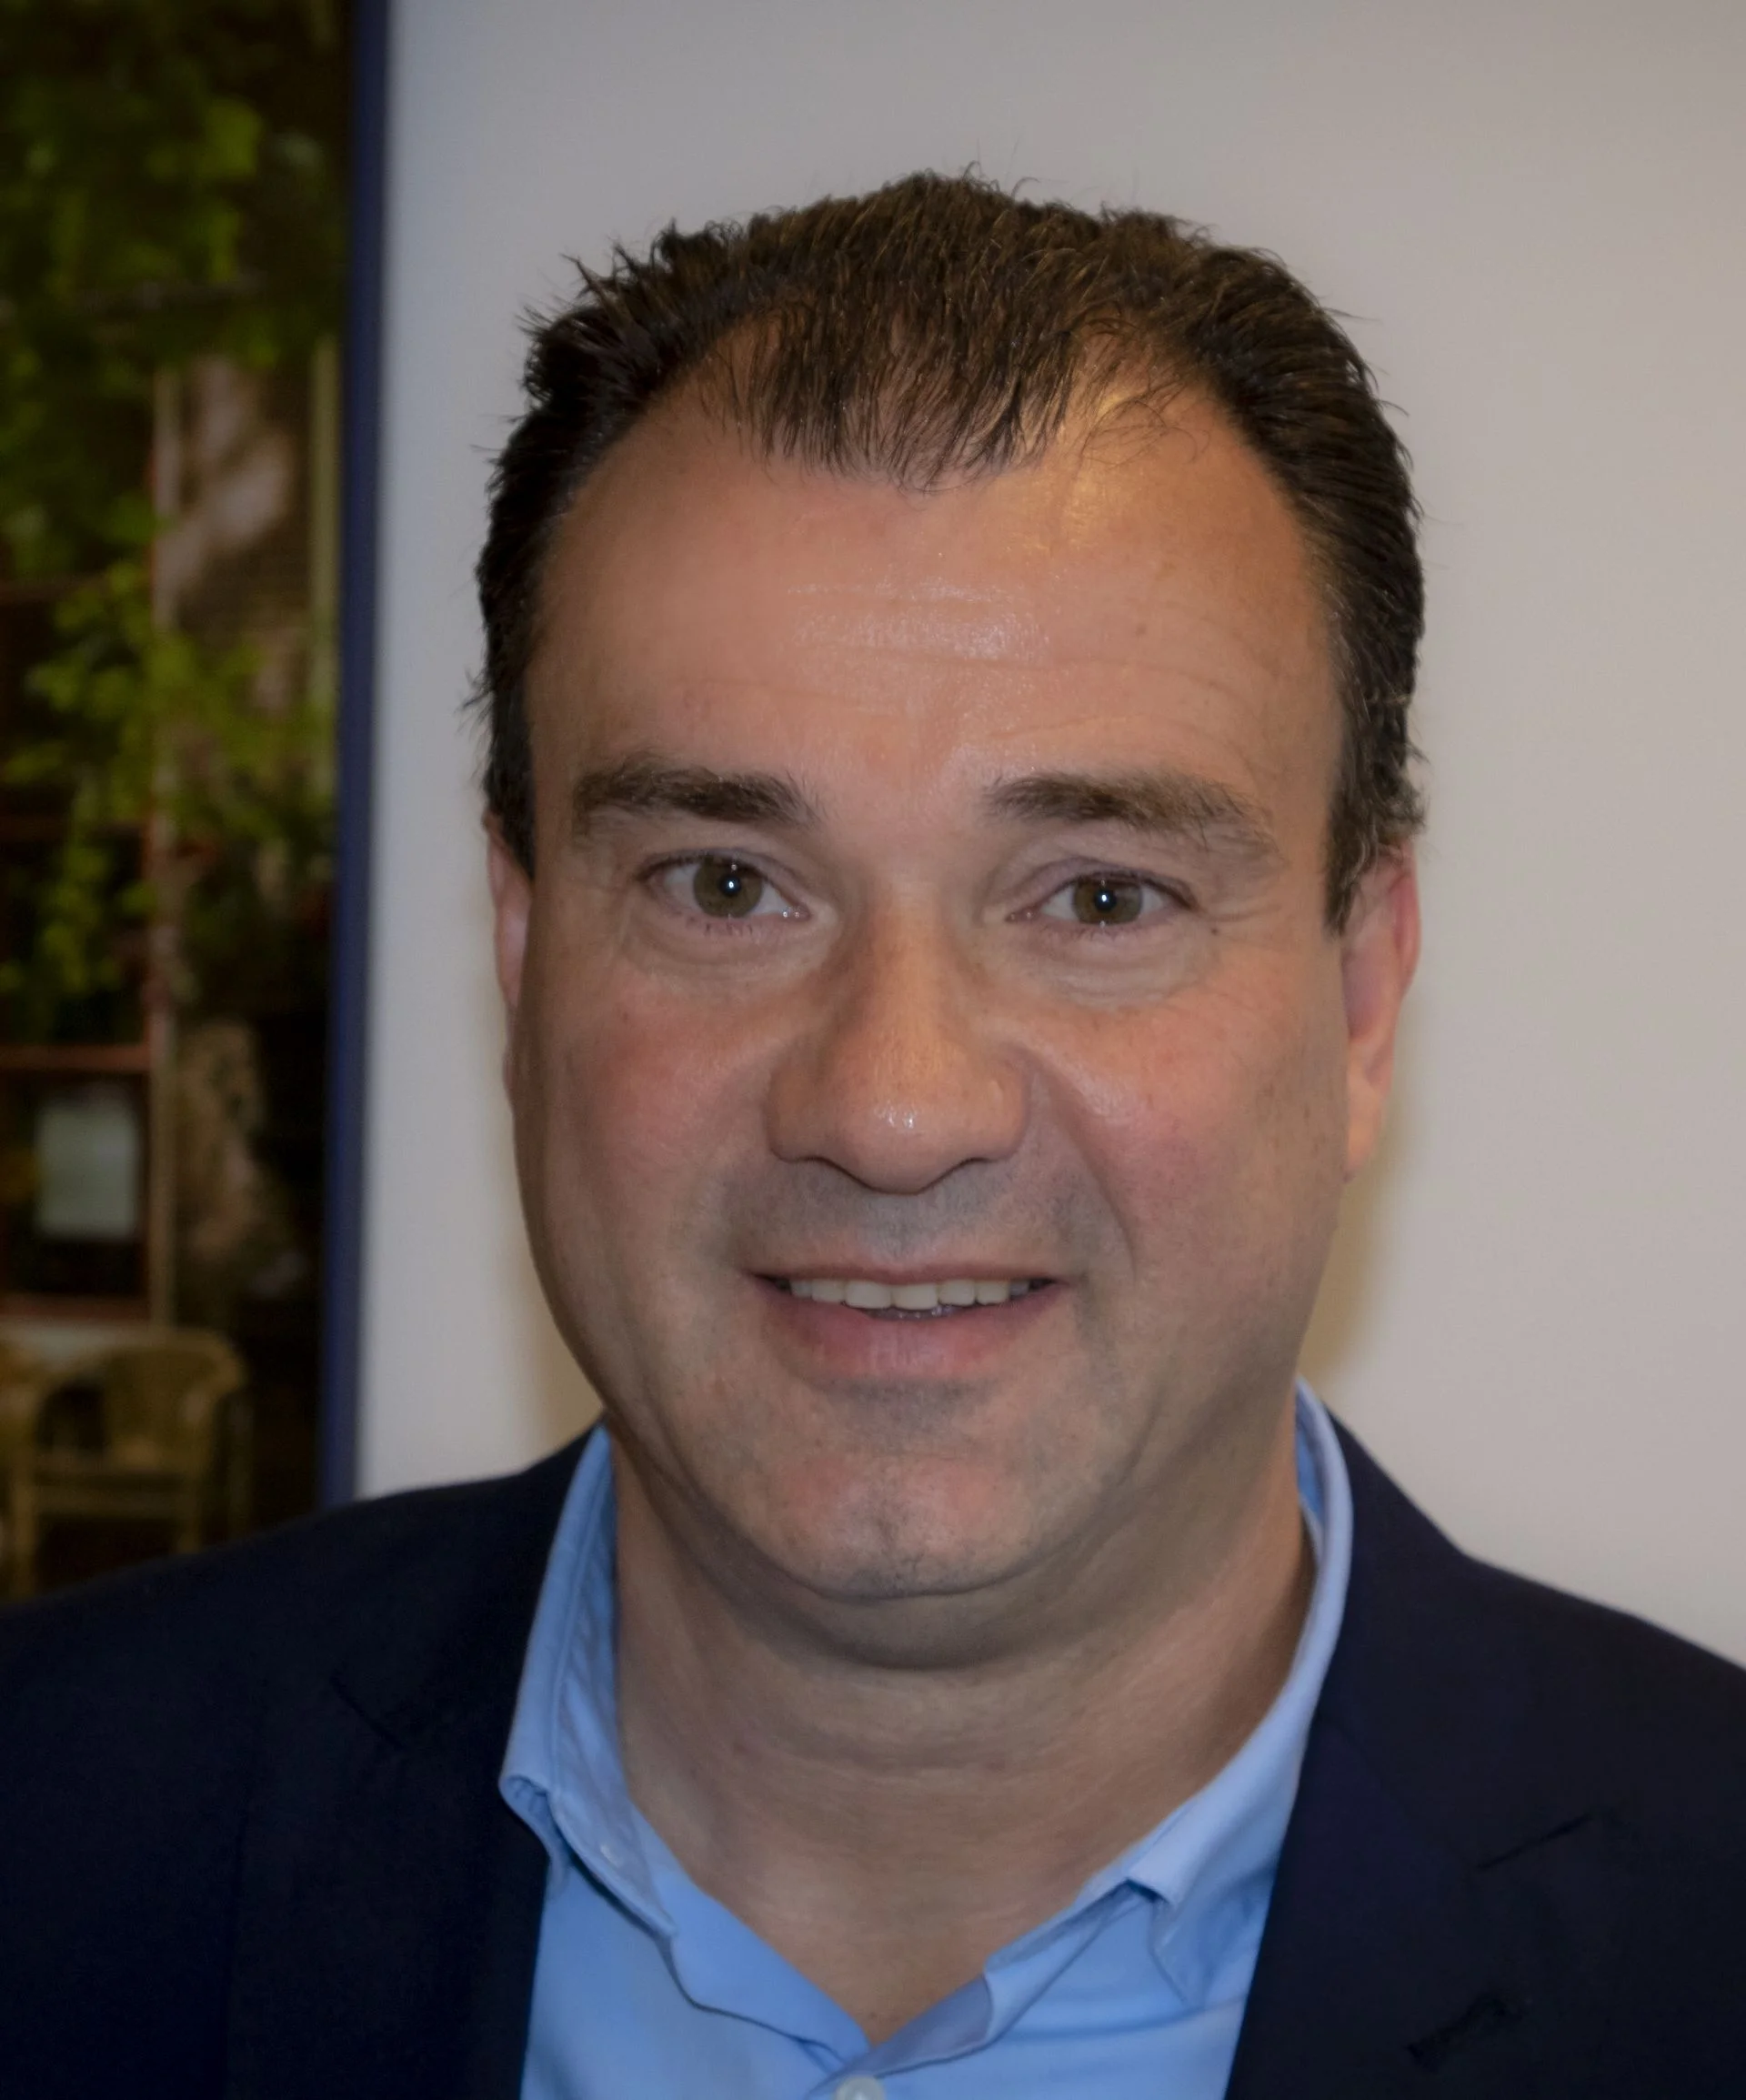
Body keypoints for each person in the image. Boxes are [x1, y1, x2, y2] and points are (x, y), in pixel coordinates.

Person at [2, 173, 1742, 2100]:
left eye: (1099, 897)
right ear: (521, 952)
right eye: (727, 884)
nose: (895, 1107)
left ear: (1360, 997)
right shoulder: (48, 1835)